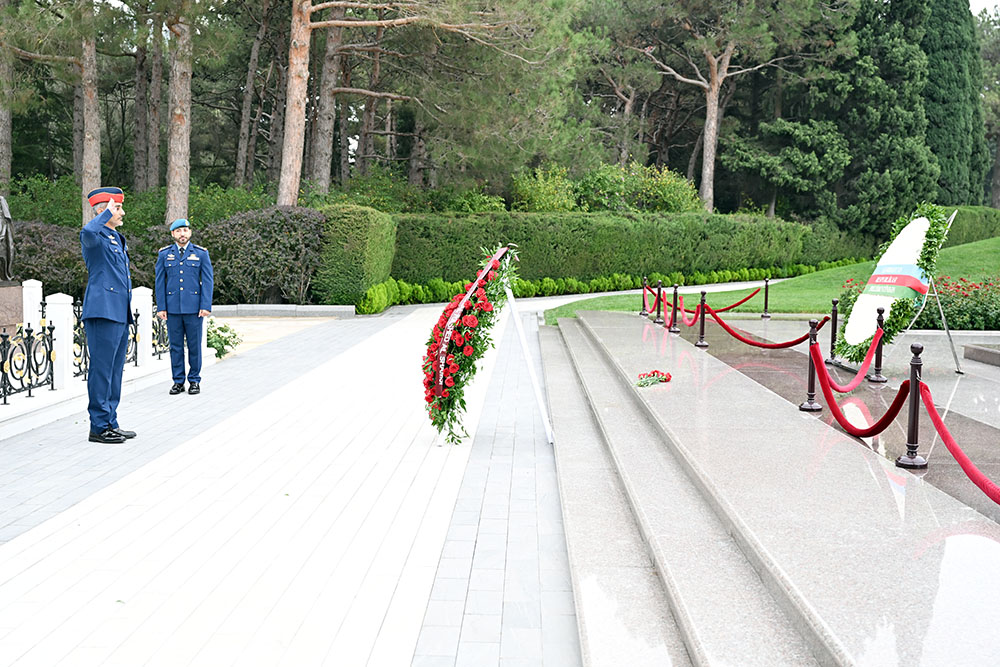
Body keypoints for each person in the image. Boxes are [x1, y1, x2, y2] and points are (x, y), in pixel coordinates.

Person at [80, 187, 136, 444]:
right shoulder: (94, 236)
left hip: (119, 312)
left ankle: (111, 421)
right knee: (102, 370)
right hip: (102, 311)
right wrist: (104, 215)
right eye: (117, 208)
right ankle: (99, 427)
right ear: (103, 211)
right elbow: (88, 231)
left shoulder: (116, 237)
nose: (122, 212)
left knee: (115, 372)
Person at [155, 218, 214, 395]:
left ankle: (194, 380)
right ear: (173, 234)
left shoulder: (201, 253)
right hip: (172, 309)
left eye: (185, 230)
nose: (183, 234)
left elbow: (208, 281)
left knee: (195, 346)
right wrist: (161, 306)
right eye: (179, 231)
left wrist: (205, 305)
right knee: (175, 347)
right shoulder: (164, 254)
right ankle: (178, 381)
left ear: (190, 233)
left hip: (194, 309)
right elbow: (160, 282)